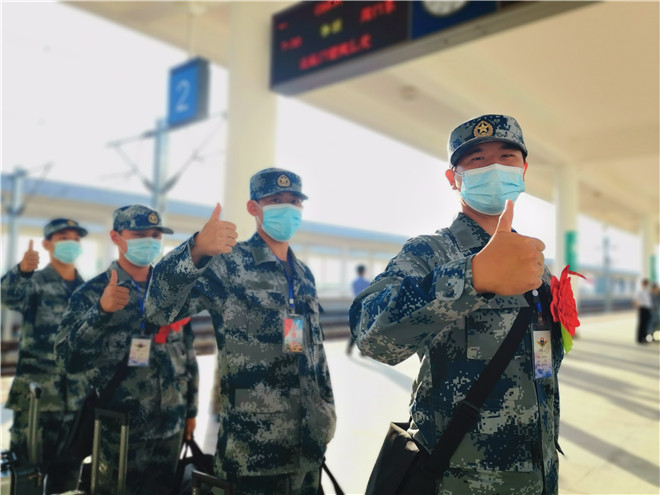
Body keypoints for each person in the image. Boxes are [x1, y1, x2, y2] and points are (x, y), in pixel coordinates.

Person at [350, 114, 565, 494]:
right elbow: (371, 334)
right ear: (454, 178)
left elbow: (543, 363)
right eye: (478, 160)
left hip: (539, 474)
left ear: (524, 170)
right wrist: (472, 277)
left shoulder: (535, 263)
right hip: (458, 479)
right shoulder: (431, 252)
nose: (494, 167)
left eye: (507, 157)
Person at [145, 168, 336, 495]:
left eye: (294, 201)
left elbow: (315, 354)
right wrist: (195, 250)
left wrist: (327, 413)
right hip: (253, 453)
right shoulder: (229, 264)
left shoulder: (303, 274)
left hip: (308, 450)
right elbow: (159, 311)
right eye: (275, 200)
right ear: (253, 208)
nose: (287, 207)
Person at [55, 204, 198, 495]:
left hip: (170, 428)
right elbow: (67, 360)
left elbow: (188, 354)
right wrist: (101, 312)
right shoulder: (91, 294)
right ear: (116, 237)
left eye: (155, 235)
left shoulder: (173, 293)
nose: (150, 241)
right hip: (119, 432)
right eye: (140, 234)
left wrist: (191, 412)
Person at [1, 218, 88, 492]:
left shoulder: (88, 289)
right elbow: (8, 296)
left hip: (76, 402)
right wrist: (22, 271)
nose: (71, 243)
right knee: (28, 478)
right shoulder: (36, 282)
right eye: (63, 238)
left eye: (75, 238)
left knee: (68, 478)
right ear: (47, 244)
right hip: (38, 402)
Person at [346, 264, 370, 355]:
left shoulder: (354, 282)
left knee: (355, 329)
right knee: (365, 329)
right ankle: (363, 351)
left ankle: (349, 348)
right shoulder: (367, 283)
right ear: (364, 272)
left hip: (355, 306)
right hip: (365, 307)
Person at [633, 278, 652, 343]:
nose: (646, 285)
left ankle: (645, 338)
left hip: (648, 309)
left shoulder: (648, 291)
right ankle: (640, 339)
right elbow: (636, 300)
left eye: (647, 284)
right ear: (643, 284)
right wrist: (638, 309)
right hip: (643, 308)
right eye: (645, 283)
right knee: (642, 324)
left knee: (647, 324)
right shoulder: (639, 291)